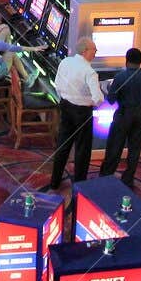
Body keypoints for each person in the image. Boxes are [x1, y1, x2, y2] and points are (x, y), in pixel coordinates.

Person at [48, 36, 102, 191]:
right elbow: (98, 99)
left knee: (63, 145)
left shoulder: (65, 62)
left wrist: (66, 98)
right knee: (82, 150)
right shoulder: (90, 72)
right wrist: (91, 102)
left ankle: (55, 181)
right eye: (94, 50)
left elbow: (57, 84)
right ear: (85, 51)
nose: (95, 53)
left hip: (65, 106)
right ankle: (79, 185)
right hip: (82, 112)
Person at [98, 47, 141, 186]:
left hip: (123, 114)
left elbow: (111, 99)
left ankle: (106, 176)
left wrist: (105, 90)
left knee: (115, 147)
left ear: (126, 61)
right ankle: (128, 179)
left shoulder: (120, 77)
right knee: (135, 149)